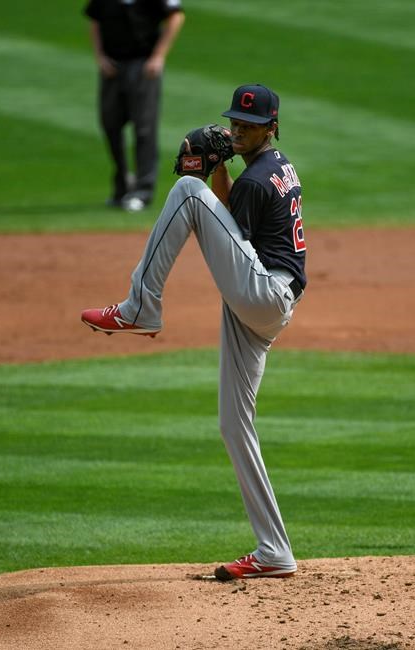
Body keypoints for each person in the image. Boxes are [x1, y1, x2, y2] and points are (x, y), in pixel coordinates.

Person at [81, 84, 307, 580]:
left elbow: (226, 228)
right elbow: (233, 232)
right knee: (233, 423)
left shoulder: (257, 179)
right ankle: (275, 551)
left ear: (271, 126)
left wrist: (202, 176)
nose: (238, 130)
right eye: (235, 123)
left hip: (262, 291)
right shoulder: (277, 165)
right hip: (262, 300)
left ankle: (141, 305)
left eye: (249, 125)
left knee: (186, 192)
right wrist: (220, 169)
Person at [84, 0, 185, 212]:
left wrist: (158, 56)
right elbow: (94, 19)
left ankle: (143, 190)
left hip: (143, 64)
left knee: (144, 129)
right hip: (111, 65)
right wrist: (100, 56)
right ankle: (122, 186)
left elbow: (176, 16)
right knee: (110, 124)